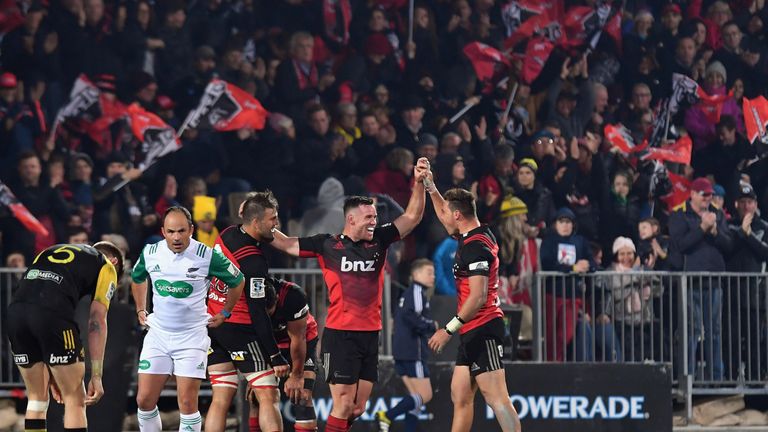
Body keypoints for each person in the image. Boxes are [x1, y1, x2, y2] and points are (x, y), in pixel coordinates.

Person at [270, 158, 429, 432]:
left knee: (357, 408)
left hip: (370, 334)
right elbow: (285, 243)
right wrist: (255, 223)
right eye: (369, 217)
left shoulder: (381, 239)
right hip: (340, 335)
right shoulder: (326, 244)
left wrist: (419, 182)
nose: (374, 222)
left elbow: (412, 217)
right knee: (342, 404)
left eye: (375, 217)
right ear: (351, 219)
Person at [131, 206, 245, 432]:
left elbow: (238, 280)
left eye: (181, 231)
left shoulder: (207, 255)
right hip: (158, 335)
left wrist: (225, 312)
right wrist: (140, 309)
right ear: (163, 232)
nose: (176, 237)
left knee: (187, 403)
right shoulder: (150, 252)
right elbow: (137, 277)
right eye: (171, 231)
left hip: (191, 338)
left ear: (191, 230)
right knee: (144, 400)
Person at [423, 183, 521, 432]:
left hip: (484, 325)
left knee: (497, 398)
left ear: (458, 214)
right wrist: (431, 186)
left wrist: (448, 330)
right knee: (460, 393)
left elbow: (477, 297)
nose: (445, 216)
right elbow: (446, 219)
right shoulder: (475, 234)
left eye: (448, 211)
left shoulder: (476, 247)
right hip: (473, 329)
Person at [7, 241, 124, 432]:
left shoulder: (50, 251)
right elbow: (96, 321)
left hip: (16, 315)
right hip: (51, 315)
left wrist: (55, 372)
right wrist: (96, 375)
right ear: (114, 261)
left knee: (36, 398)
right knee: (75, 398)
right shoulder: (107, 265)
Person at [205, 191, 291, 432]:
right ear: (256, 222)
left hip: (214, 325)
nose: (277, 224)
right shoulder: (254, 261)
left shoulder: (228, 233)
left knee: (221, 398)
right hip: (239, 328)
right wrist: (274, 354)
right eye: (272, 219)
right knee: (268, 396)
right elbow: (257, 311)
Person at [669, 178, 732, 381]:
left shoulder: (718, 214)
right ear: (693, 194)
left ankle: (716, 377)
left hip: (714, 281)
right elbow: (681, 245)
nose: (708, 198)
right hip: (690, 281)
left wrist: (714, 231)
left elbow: (728, 246)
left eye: (710, 194)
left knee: (714, 331)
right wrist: (702, 228)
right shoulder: (679, 215)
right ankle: (688, 377)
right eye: (704, 194)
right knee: (691, 331)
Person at [248, 276, 320, 432]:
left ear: (277, 300)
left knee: (302, 395)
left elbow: (298, 338)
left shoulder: (293, 296)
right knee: (256, 397)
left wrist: (297, 375)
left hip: (301, 339)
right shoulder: (245, 301)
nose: (266, 320)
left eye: (270, 314)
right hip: (268, 345)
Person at [376, 259, 438, 432]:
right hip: (413, 352)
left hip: (401, 351)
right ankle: (387, 415)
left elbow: (402, 317)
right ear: (416, 275)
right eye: (429, 272)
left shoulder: (408, 294)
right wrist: (431, 325)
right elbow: (412, 318)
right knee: (425, 395)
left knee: (415, 398)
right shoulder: (417, 292)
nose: (433, 276)